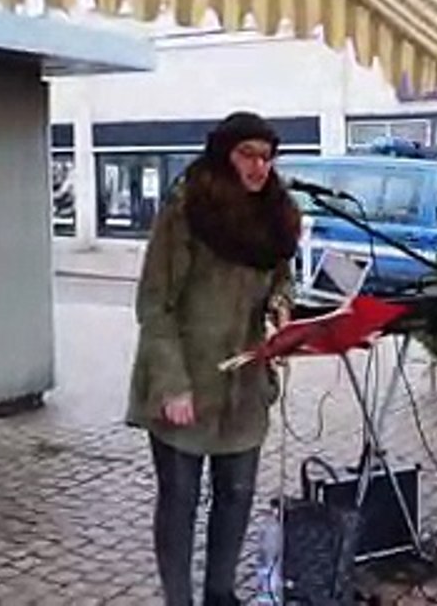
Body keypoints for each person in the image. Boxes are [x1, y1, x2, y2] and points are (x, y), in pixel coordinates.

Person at [126, 112, 300, 606]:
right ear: (224, 154)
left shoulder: (276, 216)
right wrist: (172, 384)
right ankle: (178, 600)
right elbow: (154, 303)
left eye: (266, 157)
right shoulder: (187, 212)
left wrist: (280, 306)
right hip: (185, 377)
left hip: (244, 385)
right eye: (247, 154)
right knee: (180, 500)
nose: (259, 167)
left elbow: (281, 277)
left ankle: (220, 593)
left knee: (237, 493)